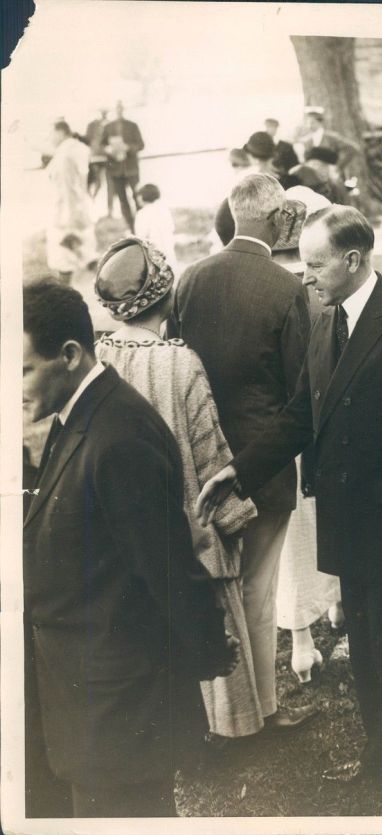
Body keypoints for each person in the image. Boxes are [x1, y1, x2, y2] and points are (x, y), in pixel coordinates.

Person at [197, 205, 382, 814]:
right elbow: (300, 414)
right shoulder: (325, 319)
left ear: (352, 259)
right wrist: (239, 470)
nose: (303, 275)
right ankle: (381, 755)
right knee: (365, 649)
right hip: (350, 528)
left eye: (313, 264)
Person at [22, 280, 239, 817]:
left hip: (116, 708)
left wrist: (207, 650)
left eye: (22, 369)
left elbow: (166, 568)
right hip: (85, 697)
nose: (12, 385)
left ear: (70, 355)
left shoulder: (120, 437)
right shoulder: (80, 414)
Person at [94, 237, 262, 743]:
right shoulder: (180, 362)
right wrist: (231, 518)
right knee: (206, 590)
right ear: (166, 299)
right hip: (187, 512)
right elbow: (210, 449)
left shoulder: (99, 354)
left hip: (121, 522)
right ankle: (229, 727)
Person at [168, 173, 317, 732]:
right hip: (263, 464)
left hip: (200, 457)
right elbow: (301, 386)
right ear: (278, 220)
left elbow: (179, 361)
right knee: (257, 590)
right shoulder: (285, 289)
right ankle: (265, 712)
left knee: (214, 585)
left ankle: (220, 714)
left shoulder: (191, 279)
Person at [270, 191, 343, 684]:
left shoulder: (267, 291)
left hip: (284, 429)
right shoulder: (323, 296)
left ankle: (302, 642)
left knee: (297, 532)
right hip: (322, 425)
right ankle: (341, 611)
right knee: (331, 519)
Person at [45, 121, 96, 281]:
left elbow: (67, 189)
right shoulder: (79, 149)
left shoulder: (65, 155)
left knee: (64, 261)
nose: (50, 139)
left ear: (60, 132)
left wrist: (68, 220)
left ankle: (65, 303)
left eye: (51, 134)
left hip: (67, 214)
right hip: (81, 208)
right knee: (86, 256)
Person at [101, 100, 144, 232]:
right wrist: (108, 149)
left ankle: (142, 225)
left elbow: (141, 145)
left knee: (138, 198)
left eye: (120, 108)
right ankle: (132, 228)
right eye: (116, 108)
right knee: (122, 200)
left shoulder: (132, 126)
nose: (119, 110)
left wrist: (128, 147)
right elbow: (102, 145)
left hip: (131, 169)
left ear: (123, 109)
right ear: (113, 110)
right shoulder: (108, 127)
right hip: (115, 170)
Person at [299, 106, 361, 180]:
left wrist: (338, 166)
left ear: (320, 122)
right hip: (312, 178)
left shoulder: (332, 138)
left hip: (331, 176)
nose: (309, 125)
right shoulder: (305, 140)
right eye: (307, 122)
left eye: (312, 122)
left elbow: (353, 148)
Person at [135, 183, 177, 272]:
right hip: (169, 254)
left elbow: (140, 237)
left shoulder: (142, 213)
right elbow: (172, 229)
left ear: (142, 196)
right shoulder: (165, 210)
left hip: (154, 256)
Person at [84, 107, 113, 211]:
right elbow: (87, 139)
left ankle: (94, 200)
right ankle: (92, 199)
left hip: (105, 157)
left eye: (105, 112)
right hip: (96, 157)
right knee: (97, 181)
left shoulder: (109, 124)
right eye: (102, 112)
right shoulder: (92, 125)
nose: (103, 114)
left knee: (101, 182)